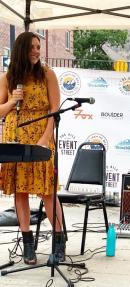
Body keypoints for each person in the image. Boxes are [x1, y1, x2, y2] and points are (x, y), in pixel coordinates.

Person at [0, 32, 65, 265]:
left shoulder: (47, 74)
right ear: (21, 50)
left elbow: (55, 112)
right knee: (21, 191)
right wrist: (11, 101)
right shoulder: (8, 77)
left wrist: (45, 139)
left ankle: (59, 242)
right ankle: (28, 244)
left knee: (47, 191)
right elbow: (0, 111)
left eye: (39, 47)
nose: (37, 51)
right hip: (15, 137)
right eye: (32, 47)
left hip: (40, 137)